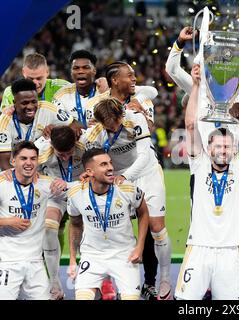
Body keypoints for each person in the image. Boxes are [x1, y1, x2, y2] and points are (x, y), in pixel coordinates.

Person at [174, 64, 239, 300]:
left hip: (229, 251)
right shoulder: (198, 164)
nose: (223, 150)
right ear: (208, 147)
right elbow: (190, 125)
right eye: (218, 146)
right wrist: (197, 85)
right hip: (198, 247)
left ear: (234, 149)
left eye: (227, 146)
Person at [82, 97, 172, 300]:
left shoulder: (135, 119)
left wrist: (124, 177)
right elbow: (90, 159)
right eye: (108, 127)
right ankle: (108, 281)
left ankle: (165, 278)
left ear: (121, 116)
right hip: (117, 177)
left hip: (147, 173)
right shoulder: (95, 133)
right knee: (114, 226)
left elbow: (145, 156)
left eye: (115, 125)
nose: (112, 130)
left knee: (156, 227)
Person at [67, 148, 148, 300]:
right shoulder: (76, 193)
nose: (110, 167)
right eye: (103, 164)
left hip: (124, 255)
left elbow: (143, 212)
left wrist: (139, 247)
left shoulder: (127, 188)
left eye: (110, 163)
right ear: (90, 171)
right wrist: (72, 258)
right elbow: (75, 224)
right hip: (92, 255)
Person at [0, 141, 66, 299]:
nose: (29, 163)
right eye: (23, 158)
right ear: (12, 161)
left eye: (33, 159)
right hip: (7, 261)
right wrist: (8, 222)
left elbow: (82, 190)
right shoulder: (2, 183)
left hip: (36, 263)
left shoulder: (46, 184)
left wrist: (65, 183)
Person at [33, 125, 86, 299]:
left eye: (69, 153)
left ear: (76, 143)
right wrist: (48, 182)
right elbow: (28, 173)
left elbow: (98, 172)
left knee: (89, 235)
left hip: (82, 191)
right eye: (60, 154)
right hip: (55, 194)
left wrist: (70, 184)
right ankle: (55, 283)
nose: (64, 158)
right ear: (51, 144)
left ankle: (94, 281)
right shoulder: (40, 149)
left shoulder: (87, 144)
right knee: (48, 229)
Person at [0, 79, 73, 170]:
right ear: (15, 103)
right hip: (16, 171)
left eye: (34, 102)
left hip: (44, 170)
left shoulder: (47, 108)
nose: (30, 107)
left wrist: (58, 129)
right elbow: (5, 165)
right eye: (25, 103)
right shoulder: (4, 122)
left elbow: (76, 126)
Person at [53, 50, 107, 130]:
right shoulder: (61, 96)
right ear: (71, 72)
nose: (80, 71)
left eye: (86, 67)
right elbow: (55, 121)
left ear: (94, 71)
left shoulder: (104, 91)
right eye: (76, 68)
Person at [1, 53, 69, 109]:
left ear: (47, 72)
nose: (35, 83)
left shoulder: (64, 88)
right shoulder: (11, 93)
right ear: (23, 72)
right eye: (30, 78)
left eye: (39, 78)